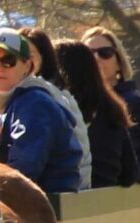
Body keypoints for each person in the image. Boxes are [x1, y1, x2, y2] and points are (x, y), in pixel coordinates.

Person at [0, 28, 82, 195]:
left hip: (47, 207)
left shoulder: (34, 104)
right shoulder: (10, 103)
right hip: (28, 203)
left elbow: (23, 171)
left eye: (8, 60)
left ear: (28, 65)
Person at [83, 25, 140, 182]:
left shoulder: (137, 105)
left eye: (105, 53)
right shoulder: (75, 105)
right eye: (88, 54)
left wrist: (113, 172)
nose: (96, 58)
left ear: (119, 62)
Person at [56, 38, 138, 189]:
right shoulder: (112, 108)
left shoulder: (61, 110)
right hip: (107, 200)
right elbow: (130, 173)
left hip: (73, 199)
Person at [21, 24, 93, 186]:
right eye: (16, 55)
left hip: (61, 195)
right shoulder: (24, 94)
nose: (22, 61)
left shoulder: (44, 97)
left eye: (29, 55)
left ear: (44, 58)